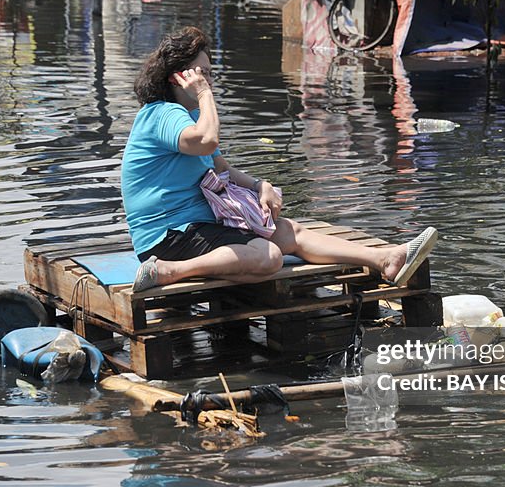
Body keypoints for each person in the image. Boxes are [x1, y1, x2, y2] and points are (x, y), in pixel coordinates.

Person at [120, 26, 437, 292]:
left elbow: (220, 167)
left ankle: (385, 259)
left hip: (199, 224)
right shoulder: (161, 114)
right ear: (180, 77)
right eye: (202, 73)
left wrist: (262, 185)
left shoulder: (188, 116)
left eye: (210, 74)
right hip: (167, 236)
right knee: (268, 256)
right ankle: (168, 271)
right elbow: (207, 142)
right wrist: (204, 95)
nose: (209, 81)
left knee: (289, 232)